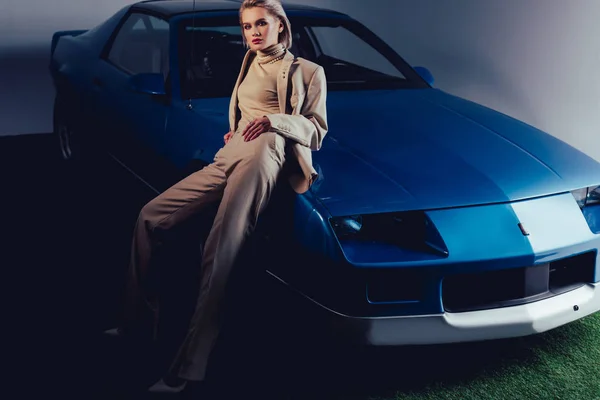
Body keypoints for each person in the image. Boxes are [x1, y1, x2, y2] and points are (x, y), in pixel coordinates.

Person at [107, 0, 328, 394]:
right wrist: (239, 129)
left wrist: (271, 122)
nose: (253, 32)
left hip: (265, 155)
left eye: (261, 23)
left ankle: (186, 369)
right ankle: (135, 322)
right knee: (150, 216)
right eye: (246, 26)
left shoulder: (308, 71)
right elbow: (247, 109)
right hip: (229, 155)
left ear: (281, 25)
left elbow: (316, 130)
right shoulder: (248, 61)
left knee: (219, 250)